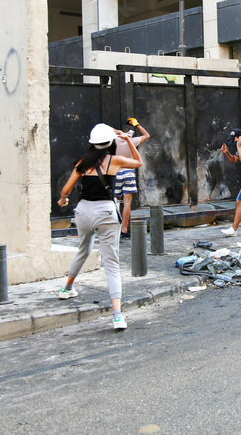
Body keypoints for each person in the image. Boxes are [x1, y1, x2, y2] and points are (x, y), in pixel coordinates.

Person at [57, 123, 142, 330]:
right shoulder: (115, 161)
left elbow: (66, 190)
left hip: (84, 212)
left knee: (83, 250)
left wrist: (62, 201)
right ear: (110, 142)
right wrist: (128, 139)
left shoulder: (82, 163)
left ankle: (67, 288)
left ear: (92, 143)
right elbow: (138, 162)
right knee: (111, 263)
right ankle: (117, 315)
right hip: (105, 212)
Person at [114, 118, 150, 238]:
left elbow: (104, 128)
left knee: (115, 202)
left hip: (116, 173)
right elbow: (147, 135)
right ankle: (124, 228)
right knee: (127, 203)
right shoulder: (132, 141)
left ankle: (115, 228)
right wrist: (137, 124)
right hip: (128, 172)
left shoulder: (114, 140)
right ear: (131, 132)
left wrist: (116, 132)